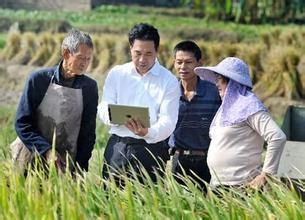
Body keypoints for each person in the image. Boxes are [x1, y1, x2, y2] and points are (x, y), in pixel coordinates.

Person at [98, 23, 180, 184]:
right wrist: (113, 116)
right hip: (118, 147)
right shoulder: (117, 74)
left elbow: (169, 121)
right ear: (130, 49)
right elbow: (103, 106)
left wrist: (148, 132)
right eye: (137, 53)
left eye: (148, 54)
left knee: (147, 204)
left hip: (151, 151)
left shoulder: (169, 81)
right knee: (110, 201)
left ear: (157, 51)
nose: (142, 59)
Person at [12, 29, 98, 174]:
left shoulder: (89, 87)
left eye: (88, 59)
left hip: (65, 163)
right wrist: (47, 151)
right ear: (66, 53)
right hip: (30, 155)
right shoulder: (38, 80)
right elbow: (22, 123)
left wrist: (79, 170)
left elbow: (88, 134)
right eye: (81, 58)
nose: (85, 63)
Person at [194, 57, 286, 189]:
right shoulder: (225, 109)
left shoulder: (250, 106)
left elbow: (277, 137)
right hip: (217, 184)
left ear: (232, 82)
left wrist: (266, 174)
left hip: (243, 187)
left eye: (219, 79)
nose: (216, 84)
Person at [168, 41, 221, 191]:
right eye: (179, 62)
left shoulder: (214, 91)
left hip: (207, 160)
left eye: (188, 62)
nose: (183, 67)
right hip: (178, 160)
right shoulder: (169, 92)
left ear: (199, 63)